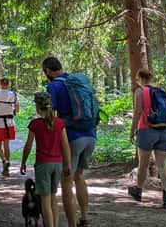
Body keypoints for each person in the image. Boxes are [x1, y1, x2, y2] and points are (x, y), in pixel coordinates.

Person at [43, 57, 96, 227]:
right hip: (90, 135)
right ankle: (85, 217)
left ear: (48, 71)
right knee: (79, 176)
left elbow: (50, 115)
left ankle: (72, 224)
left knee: (66, 181)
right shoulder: (77, 82)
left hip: (72, 138)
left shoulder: (54, 86)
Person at [21, 92, 72, 227]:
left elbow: (28, 145)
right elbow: (65, 144)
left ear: (37, 107)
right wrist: (67, 164)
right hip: (57, 164)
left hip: (43, 164)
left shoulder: (35, 124)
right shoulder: (59, 123)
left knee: (45, 200)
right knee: (53, 197)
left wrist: (23, 162)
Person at [128, 68, 166, 209]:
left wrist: (132, 131)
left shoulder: (140, 91)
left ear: (140, 78)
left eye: (136, 79)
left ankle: (138, 191)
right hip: (164, 130)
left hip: (147, 130)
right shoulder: (161, 91)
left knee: (143, 164)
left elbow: (137, 112)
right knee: (162, 165)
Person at [0, 77, 20, 176]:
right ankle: (7, 167)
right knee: (7, 145)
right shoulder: (14, 95)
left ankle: (4, 161)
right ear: (9, 84)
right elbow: (17, 110)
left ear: (0, 84)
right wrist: (11, 111)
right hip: (10, 123)